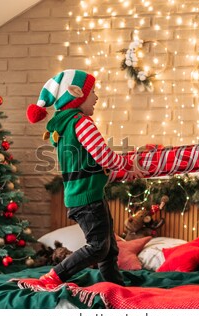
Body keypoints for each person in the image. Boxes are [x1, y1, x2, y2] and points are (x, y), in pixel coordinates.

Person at [21, 69, 143, 290]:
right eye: (92, 92)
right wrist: (126, 165)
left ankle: (115, 285)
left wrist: (118, 170)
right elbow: (102, 154)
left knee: (108, 247)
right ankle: (55, 275)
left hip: (84, 194)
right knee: (98, 246)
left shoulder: (64, 125)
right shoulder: (81, 122)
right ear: (76, 94)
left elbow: (88, 162)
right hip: (86, 196)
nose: (96, 97)